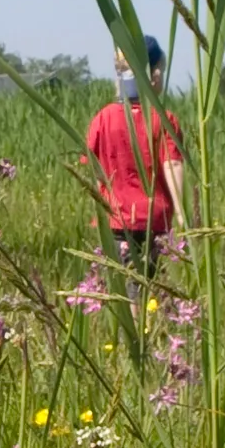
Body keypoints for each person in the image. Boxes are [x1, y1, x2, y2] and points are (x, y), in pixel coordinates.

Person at [84, 38, 186, 273]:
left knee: (120, 281)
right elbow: (172, 165)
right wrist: (182, 214)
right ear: (155, 76)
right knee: (148, 284)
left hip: (114, 220)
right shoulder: (164, 119)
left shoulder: (102, 118)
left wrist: (101, 210)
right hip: (153, 221)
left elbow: (96, 174)